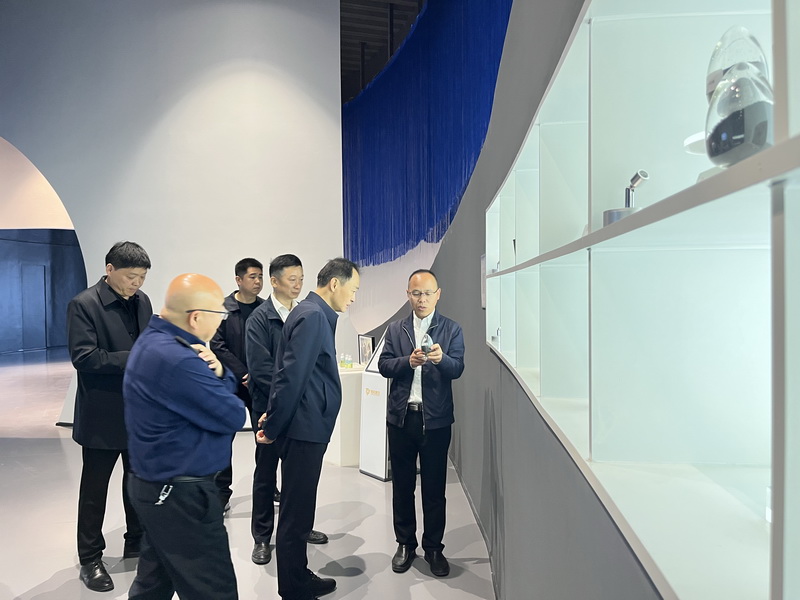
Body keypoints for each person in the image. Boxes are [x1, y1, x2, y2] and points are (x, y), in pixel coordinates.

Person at [123, 273, 248, 600]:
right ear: (196, 318)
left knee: (153, 585)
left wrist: (219, 371)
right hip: (180, 495)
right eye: (219, 315)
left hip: (157, 488)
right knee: (213, 589)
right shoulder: (177, 358)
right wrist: (223, 377)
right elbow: (233, 414)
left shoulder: (154, 341)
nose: (221, 322)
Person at [258, 258, 360, 600]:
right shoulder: (314, 316)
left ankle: (297, 577)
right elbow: (291, 377)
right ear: (335, 283)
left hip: (305, 425)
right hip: (304, 428)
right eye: (353, 289)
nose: (353, 298)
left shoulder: (309, 313)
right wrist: (273, 425)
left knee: (298, 510)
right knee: (296, 514)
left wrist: (273, 417)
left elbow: (287, 371)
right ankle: (294, 587)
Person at [67, 241, 152, 592]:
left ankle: (137, 541)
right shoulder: (84, 304)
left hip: (138, 412)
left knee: (137, 482)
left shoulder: (142, 301)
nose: (137, 283)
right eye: (131, 276)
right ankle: (90, 559)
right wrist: (136, 357)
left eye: (142, 277)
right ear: (109, 269)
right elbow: (84, 357)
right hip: (101, 413)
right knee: (94, 490)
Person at [377, 269, 465, 577]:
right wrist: (407, 362)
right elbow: (384, 365)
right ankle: (405, 543)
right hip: (401, 419)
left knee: (434, 488)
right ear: (408, 295)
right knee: (402, 486)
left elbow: (458, 368)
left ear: (438, 295)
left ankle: (434, 547)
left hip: (436, 421)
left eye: (427, 293)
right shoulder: (396, 329)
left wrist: (441, 359)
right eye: (416, 293)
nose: (422, 299)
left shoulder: (451, 329)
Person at [245, 254, 328, 566]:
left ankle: (300, 528)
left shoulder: (306, 313)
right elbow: (262, 370)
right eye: (292, 279)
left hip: (299, 410)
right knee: (266, 473)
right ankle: (262, 536)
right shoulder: (259, 319)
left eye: (301, 279)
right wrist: (281, 402)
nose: (298, 285)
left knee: (299, 477)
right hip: (268, 409)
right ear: (274, 281)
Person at [210, 257, 265, 513]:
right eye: (253, 276)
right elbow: (217, 345)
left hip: (259, 384)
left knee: (264, 436)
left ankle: (267, 486)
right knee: (224, 440)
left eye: (260, 276)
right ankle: (221, 492)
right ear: (238, 280)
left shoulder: (265, 308)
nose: (258, 281)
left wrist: (258, 374)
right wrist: (243, 373)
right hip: (229, 383)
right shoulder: (222, 308)